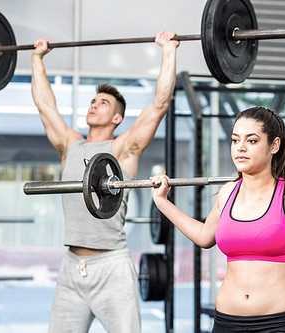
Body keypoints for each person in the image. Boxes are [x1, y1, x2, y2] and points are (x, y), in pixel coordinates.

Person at [151, 106, 285, 332]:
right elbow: (204, 237)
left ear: (274, 145)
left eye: (252, 141)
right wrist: (163, 203)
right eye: (235, 141)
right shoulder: (227, 193)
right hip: (227, 323)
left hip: (279, 323)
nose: (240, 148)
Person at [31, 31, 179, 332]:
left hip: (112, 266)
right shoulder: (70, 144)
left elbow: (160, 104)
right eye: (93, 101)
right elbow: (46, 107)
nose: (94, 105)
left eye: (103, 103)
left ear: (117, 119)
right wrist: (36, 59)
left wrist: (168, 49)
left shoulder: (123, 149)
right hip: (72, 267)